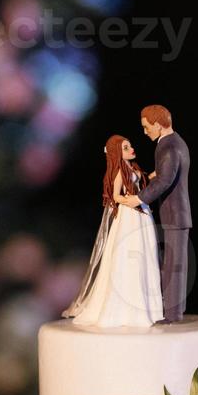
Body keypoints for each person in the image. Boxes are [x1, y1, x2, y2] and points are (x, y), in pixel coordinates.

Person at [63, 134, 163, 327]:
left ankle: (146, 307)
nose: (131, 149)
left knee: (143, 253)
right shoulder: (118, 172)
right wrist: (131, 201)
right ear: (118, 152)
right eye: (126, 148)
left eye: (130, 146)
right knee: (128, 253)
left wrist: (153, 176)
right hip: (129, 215)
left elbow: (140, 183)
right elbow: (115, 196)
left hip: (140, 213)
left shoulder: (132, 168)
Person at [120, 104, 191, 323]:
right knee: (172, 263)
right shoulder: (173, 142)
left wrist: (138, 198)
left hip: (175, 213)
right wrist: (152, 175)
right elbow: (166, 173)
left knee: (174, 265)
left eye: (147, 127)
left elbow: (165, 180)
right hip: (175, 212)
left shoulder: (168, 146)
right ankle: (173, 310)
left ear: (159, 125)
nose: (145, 131)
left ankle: (172, 314)